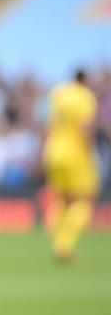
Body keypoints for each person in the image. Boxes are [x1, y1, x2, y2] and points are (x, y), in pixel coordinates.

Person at [44, 70, 100, 262]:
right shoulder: (84, 95)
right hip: (75, 152)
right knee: (86, 198)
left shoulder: (58, 94)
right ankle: (64, 245)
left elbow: (49, 122)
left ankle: (54, 230)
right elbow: (86, 127)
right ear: (84, 80)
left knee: (63, 198)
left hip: (53, 149)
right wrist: (90, 151)